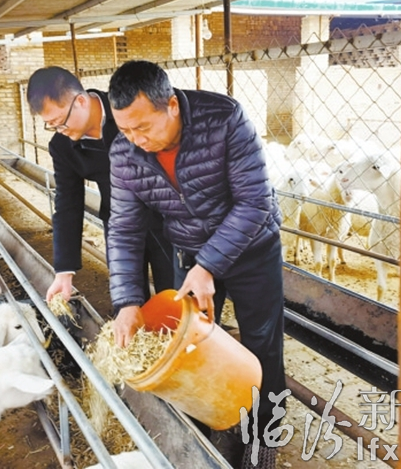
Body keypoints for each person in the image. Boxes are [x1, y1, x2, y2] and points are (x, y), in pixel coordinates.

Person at [106, 60, 285, 469]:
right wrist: (127, 301)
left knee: (262, 344)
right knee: (187, 345)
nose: (135, 140)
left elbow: (255, 201)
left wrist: (208, 266)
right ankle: (203, 432)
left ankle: (263, 438)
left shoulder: (224, 119)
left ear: (171, 105)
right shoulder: (124, 153)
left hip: (253, 248)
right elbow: (125, 229)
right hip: (190, 254)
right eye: (125, 130)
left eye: (142, 127)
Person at [26, 66, 174, 303]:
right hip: (120, 226)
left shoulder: (127, 110)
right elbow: (68, 203)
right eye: (52, 125)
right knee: (128, 299)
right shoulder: (63, 146)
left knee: (175, 293)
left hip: (167, 219)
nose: (60, 131)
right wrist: (64, 269)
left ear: (81, 101)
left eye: (60, 122)